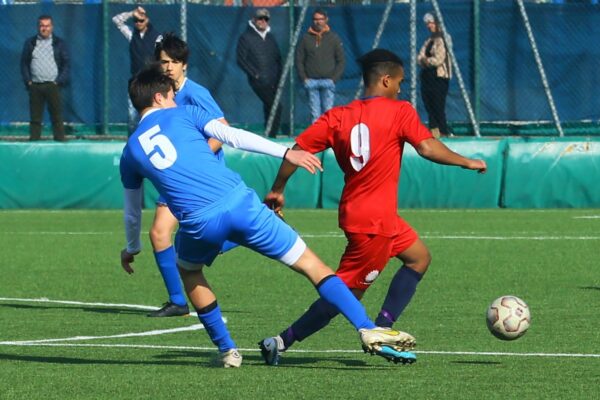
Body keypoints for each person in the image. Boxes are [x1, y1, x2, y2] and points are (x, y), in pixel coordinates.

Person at [119, 65, 417, 368]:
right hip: (240, 204)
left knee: (190, 272)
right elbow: (233, 136)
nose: (175, 101)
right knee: (314, 267)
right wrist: (286, 153)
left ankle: (228, 351)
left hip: (198, 223)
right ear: (159, 97)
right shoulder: (185, 113)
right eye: (171, 96)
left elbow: (132, 210)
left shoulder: (130, 151)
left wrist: (132, 248)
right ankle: (367, 327)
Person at [258, 49, 487, 366]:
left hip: (372, 215)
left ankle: (384, 327)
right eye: (399, 83)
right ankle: (280, 342)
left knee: (419, 258)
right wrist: (465, 161)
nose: (401, 89)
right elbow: (426, 146)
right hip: (373, 224)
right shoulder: (400, 111)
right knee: (345, 296)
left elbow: (296, 150)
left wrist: (278, 188)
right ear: (386, 79)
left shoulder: (337, 116)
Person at [144, 33, 228, 318]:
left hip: (200, 178)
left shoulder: (195, 93)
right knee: (159, 233)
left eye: (174, 62)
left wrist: (198, 157)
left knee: (185, 240)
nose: (168, 67)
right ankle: (177, 301)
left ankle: (240, 234)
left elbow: (222, 127)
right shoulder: (162, 94)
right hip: (176, 176)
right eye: (164, 61)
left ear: (184, 65)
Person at [112, 6, 162, 134]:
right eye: (136, 20)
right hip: (136, 81)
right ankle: (132, 141)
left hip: (152, 82)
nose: (138, 23)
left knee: (153, 114)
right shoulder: (131, 34)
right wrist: (131, 13)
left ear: (147, 20)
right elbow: (116, 20)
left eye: (141, 20)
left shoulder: (157, 37)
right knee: (133, 116)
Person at [20, 15, 69, 142]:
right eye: (42, 25)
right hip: (35, 86)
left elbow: (66, 64)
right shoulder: (30, 43)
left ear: (52, 27)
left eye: (47, 26)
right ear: (38, 27)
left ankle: (60, 142)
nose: (44, 28)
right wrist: (28, 81)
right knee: (35, 118)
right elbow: (24, 63)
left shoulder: (59, 43)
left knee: (56, 117)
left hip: (53, 85)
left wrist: (58, 81)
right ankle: (34, 143)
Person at [236, 8, 283, 138]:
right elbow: (241, 60)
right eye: (260, 18)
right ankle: (272, 136)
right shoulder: (246, 37)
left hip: (274, 81)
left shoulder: (270, 38)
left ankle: (269, 134)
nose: (262, 21)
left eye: (265, 19)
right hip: (259, 82)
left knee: (270, 106)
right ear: (254, 20)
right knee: (276, 106)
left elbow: (278, 59)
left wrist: (279, 77)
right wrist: (255, 74)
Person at [296, 8, 345, 123]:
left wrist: (333, 79)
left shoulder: (333, 38)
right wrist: (304, 79)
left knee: (328, 113)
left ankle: (328, 138)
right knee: (315, 115)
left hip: (328, 82)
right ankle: (316, 139)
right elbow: (299, 59)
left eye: (321, 19)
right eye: (315, 19)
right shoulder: (305, 39)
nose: (318, 22)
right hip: (311, 82)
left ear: (326, 20)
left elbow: (341, 60)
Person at [417, 12, 452, 138]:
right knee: (428, 103)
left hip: (439, 77)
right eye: (427, 24)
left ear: (437, 23)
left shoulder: (443, 38)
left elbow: (439, 59)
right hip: (427, 76)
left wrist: (426, 60)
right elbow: (419, 57)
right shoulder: (429, 40)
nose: (429, 26)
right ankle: (434, 132)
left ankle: (444, 132)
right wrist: (424, 60)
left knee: (438, 105)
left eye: (431, 23)